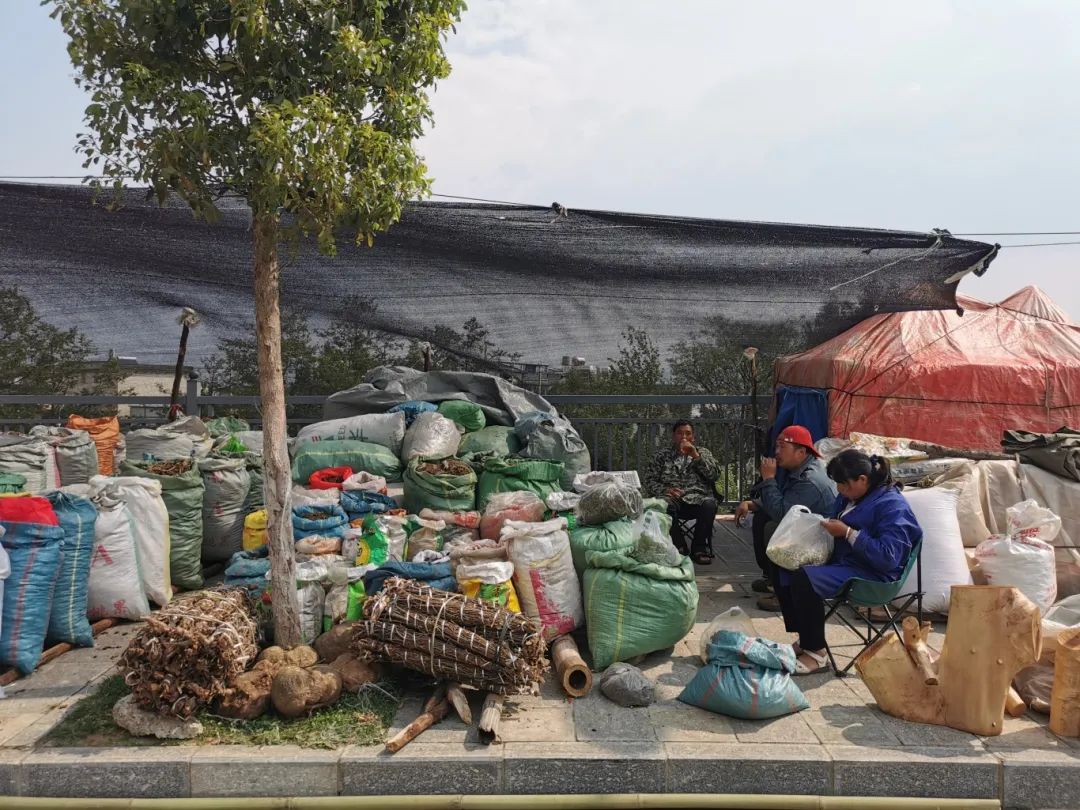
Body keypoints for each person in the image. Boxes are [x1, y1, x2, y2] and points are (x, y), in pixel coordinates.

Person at [775, 449, 923, 674]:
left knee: (804, 579)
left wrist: (847, 533)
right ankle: (806, 638)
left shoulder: (893, 506)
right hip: (847, 561)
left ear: (862, 479)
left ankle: (816, 653)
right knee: (782, 565)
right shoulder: (850, 496)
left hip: (873, 574)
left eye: (843, 484)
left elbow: (888, 558)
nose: (839, 490)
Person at [733, 425, 836, 610]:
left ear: (801, 451)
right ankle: (773, 580)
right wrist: (752, 504)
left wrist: (768, 479)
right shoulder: (801, 468)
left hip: (820, 541)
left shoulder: (810, 480)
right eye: (777, 447)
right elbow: (786, 501)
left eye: (783, 447)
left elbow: (783, 514)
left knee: (774, 527)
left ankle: (786, 592)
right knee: (762, 518)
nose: (777, 452)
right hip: (809, 530)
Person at [643, 420, 720, 565]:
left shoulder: (703, 453)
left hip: (698, 499)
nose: (684, 437)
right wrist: (665, 490)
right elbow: (649, 480)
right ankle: (679, 547)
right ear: (673, 436)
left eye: (688, 434)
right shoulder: (661, 456)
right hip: (672, 499)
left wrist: (695, 455)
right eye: (680, 433)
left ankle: (699, 549)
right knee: (663, 504)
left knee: (710, 504)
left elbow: (714, 475)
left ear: (693, 437)